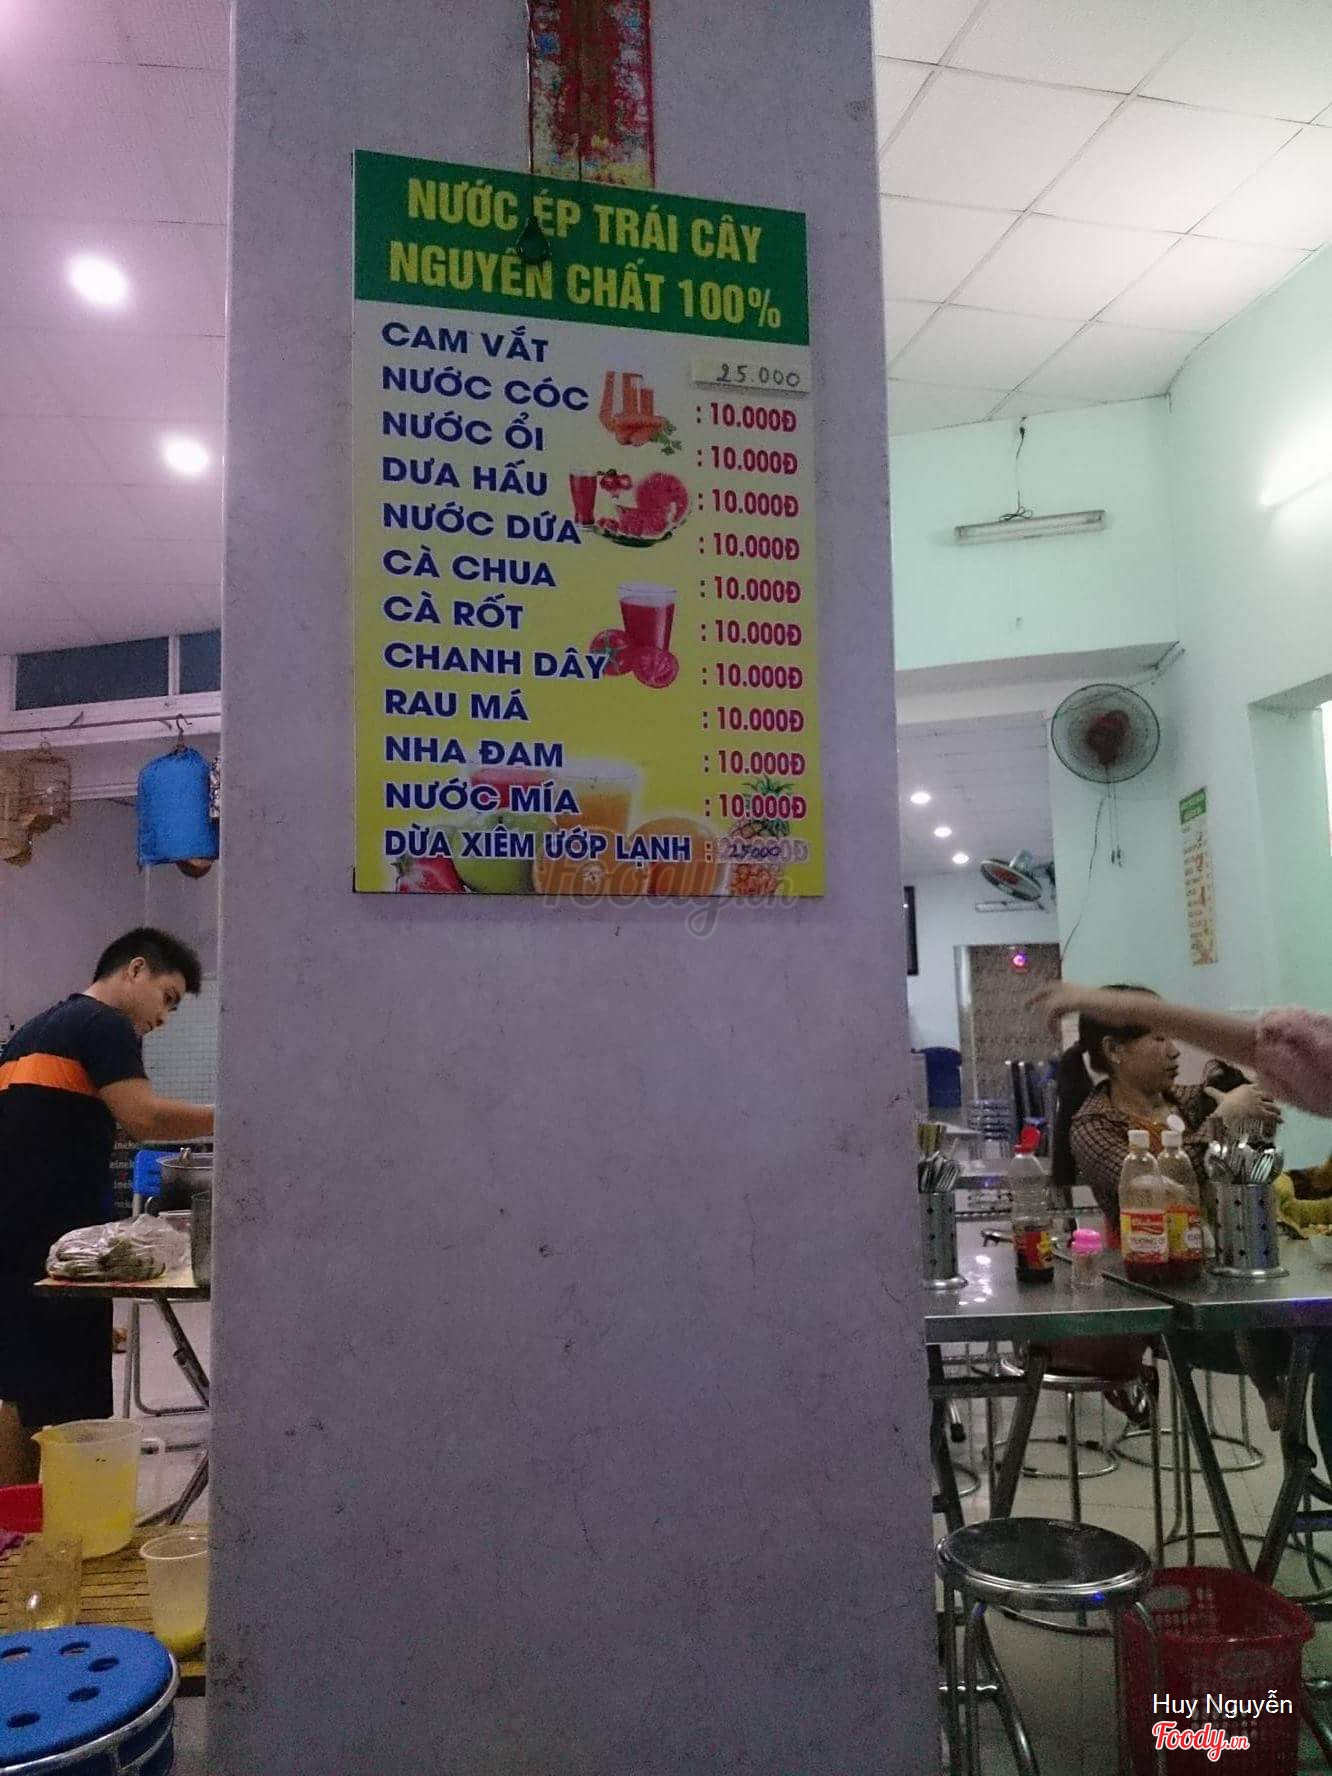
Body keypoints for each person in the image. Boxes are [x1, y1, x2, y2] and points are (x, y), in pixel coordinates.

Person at [0, 929, 214, 1484]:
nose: (162, 1019)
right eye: (167, 998)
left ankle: (18, 1523)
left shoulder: (37, 1029)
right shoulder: (104, 1024)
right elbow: (143, 1117)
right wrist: (236, 1116)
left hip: (17, 1235)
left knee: (18, 1391)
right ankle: (74, 1520)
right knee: (73, 1408)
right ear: (135, 970)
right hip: (61, 1247)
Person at [1034, 983, 1332, 1119]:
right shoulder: (1095, 1123)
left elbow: (1271, 1050)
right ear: (1113, 1050)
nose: (1174, 1051)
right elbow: (1273, 1048)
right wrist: (1223, 1119)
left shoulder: (1187, 1100)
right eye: (1159, 1038)